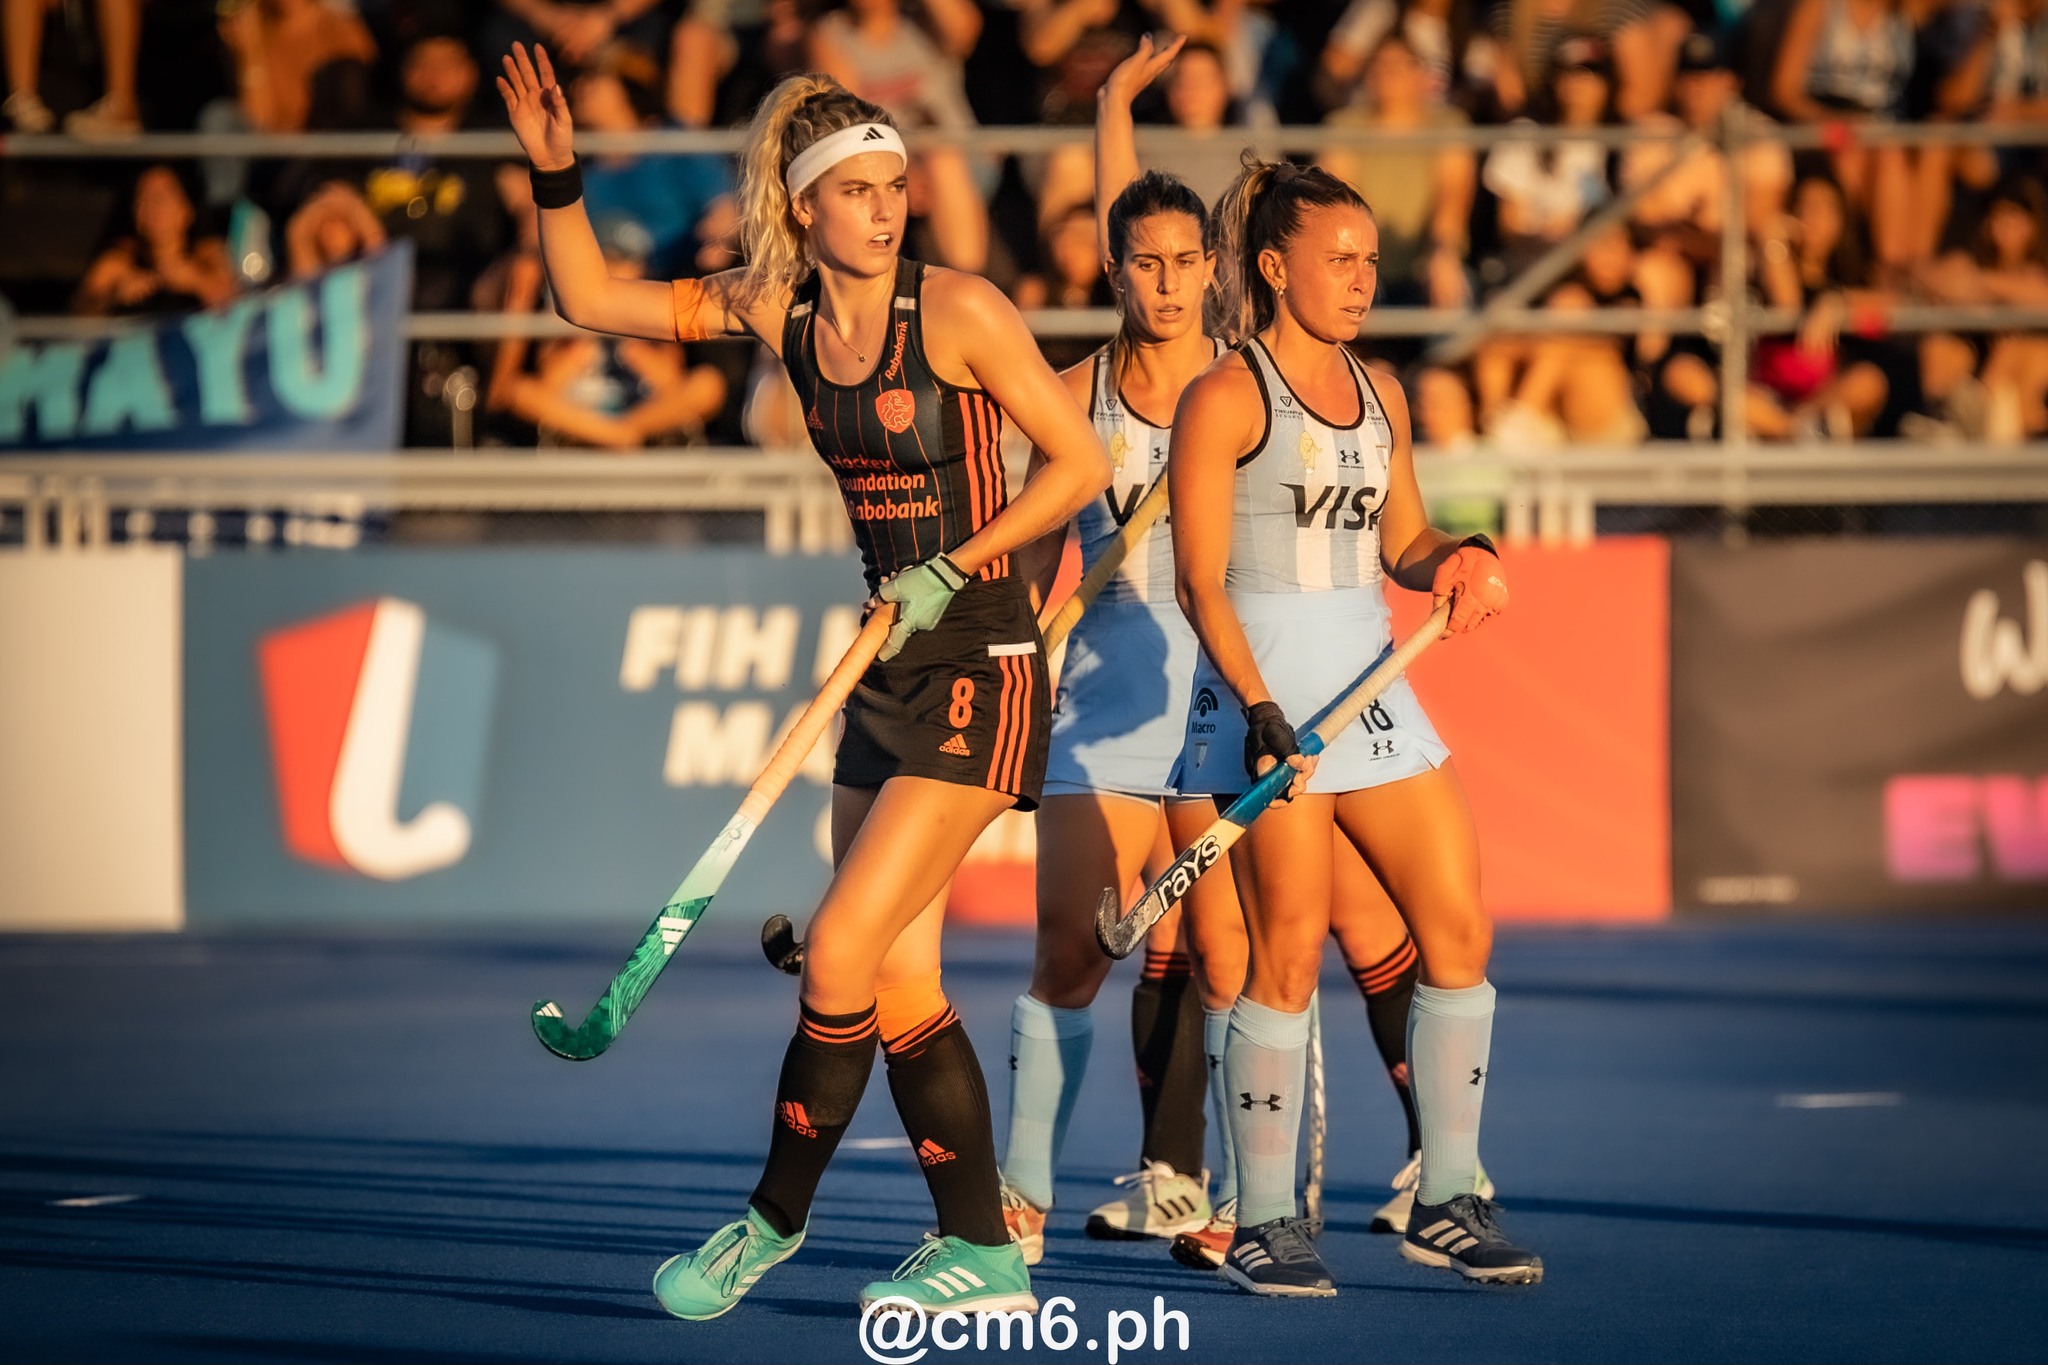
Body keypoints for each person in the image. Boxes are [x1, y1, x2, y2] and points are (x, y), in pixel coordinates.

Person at [496, 43, 1111, 1317]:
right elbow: (588, 302)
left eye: (896, 186)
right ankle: (984, 1254)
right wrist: (556, 176)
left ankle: (767, 1223)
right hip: (881, 667)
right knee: (893, 982)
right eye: (861, 189)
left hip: (982, 659)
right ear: (801, 204)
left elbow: (1079, 463)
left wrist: (954, 566)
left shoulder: (958, 311)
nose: (888, 207)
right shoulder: (770, 308)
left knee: (834, 950)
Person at [1166, 152, 1538, 1295]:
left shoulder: (1381, 394)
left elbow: (1404, 542)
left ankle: (1447, 1193)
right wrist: (1261, 710)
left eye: (1370, 260)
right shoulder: (1223, 397)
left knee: (1455, 929)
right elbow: (1199, 582)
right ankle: (1266, 1220)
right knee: (1285, 952)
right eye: (1339, 260)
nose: (1361, 278)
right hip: (1262, 699)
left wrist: (1458, 560)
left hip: (1370, 691)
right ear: (1274, 269)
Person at [74, 166, 238, 317]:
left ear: (187, 209)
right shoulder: (119, 261)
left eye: (163, 196)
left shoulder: (208, 253)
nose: (154, 206)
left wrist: (197, 281)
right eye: (144, 196)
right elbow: (77, 315)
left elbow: (237, 308)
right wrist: (113, 297)